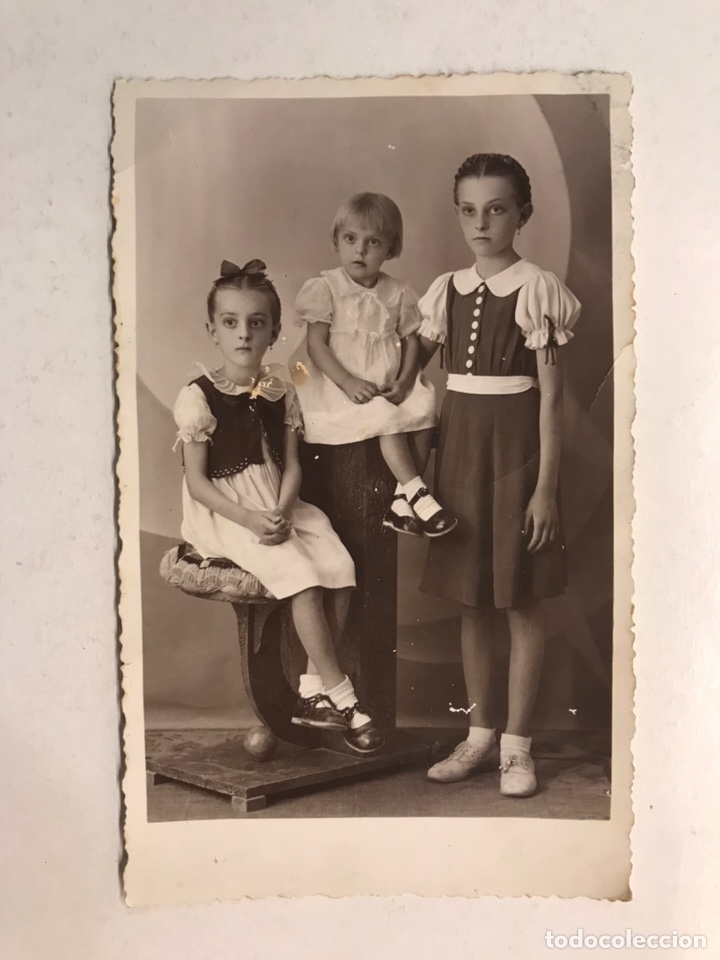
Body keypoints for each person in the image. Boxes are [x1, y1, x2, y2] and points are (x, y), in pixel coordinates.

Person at [418, 154, 581, 796]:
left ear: (523, 214)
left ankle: (518, 748)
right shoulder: (445, 291)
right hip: (459, 451)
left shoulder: (538, 287)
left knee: (520, 599)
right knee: (471, 599)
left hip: (517, 455)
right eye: (468, 209)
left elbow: (549, 397)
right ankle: (478, 738)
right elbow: (405, 375)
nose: (481, 222)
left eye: (496, 209)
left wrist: (544, 488)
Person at [173, 258, 383, 754]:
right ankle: (345, 699)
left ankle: (312, 691)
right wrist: (250, 518)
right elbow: (199, 484)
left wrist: (285, 510)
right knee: (301, 575)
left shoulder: (279, 390)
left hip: (278, 500)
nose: (243, 334)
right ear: (213, 331)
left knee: (338, 565)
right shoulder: (197, 397)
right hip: (225, 511)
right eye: (230, 323)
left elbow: (291, 466)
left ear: (274, 330)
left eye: (257, 322)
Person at [290, 192, 456, 538]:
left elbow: (411, 340)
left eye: (373, 242)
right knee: (385, 419)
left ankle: (400, 500)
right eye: (351, 239)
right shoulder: (326, 288)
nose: (360, 251)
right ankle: (418, 493)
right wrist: (348, 382)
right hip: (337, 385)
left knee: (424, 411)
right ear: (337, 240)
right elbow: (315, 346)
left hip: (385, 384)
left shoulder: (399, 293)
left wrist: (407, 380)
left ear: (391, 249)